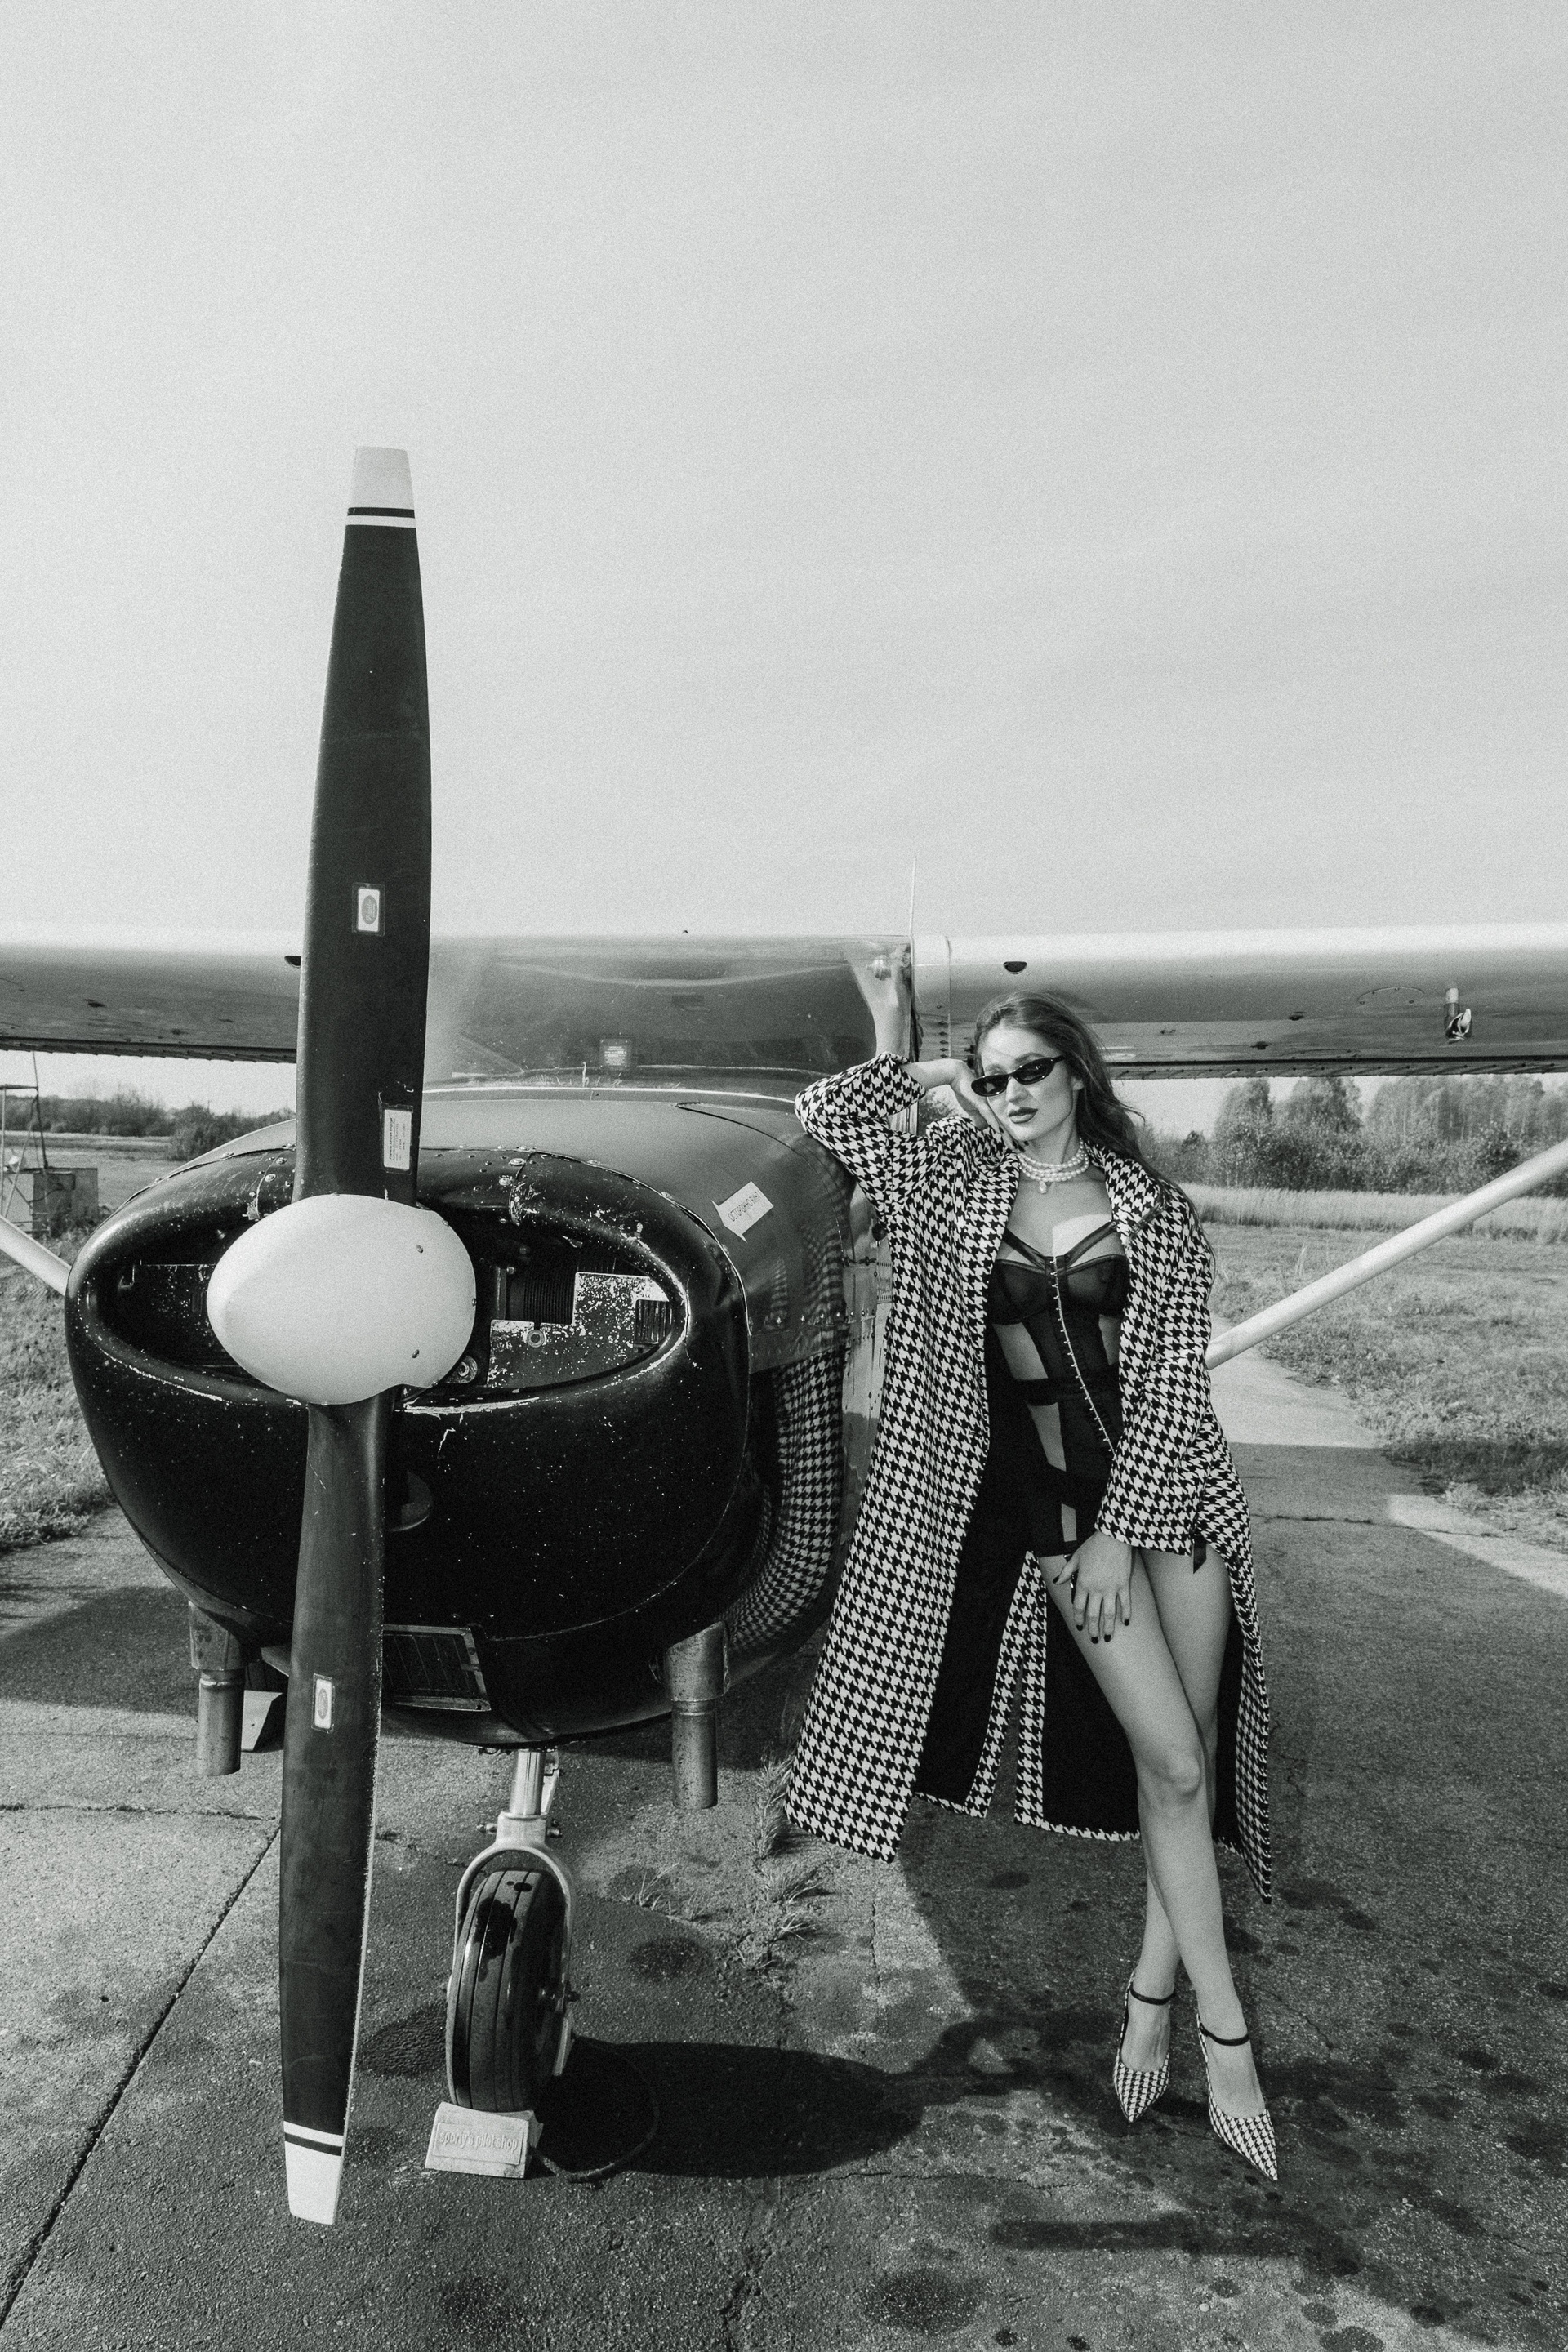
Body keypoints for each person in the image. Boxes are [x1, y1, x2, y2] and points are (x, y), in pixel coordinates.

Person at [786, 988, 1276, 2180]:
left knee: (1190, 1767)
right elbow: (830, 1108)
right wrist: (928, 1069)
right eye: (992, 1075)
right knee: (1169, 1764)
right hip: (1059, 1520)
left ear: (1078, 1072)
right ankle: (1230, 2045)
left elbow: (1173, 1383)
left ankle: (1151, 1998)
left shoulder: (1153, 1207)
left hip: (1174, 1502)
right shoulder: (951, 1182)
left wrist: (1125, 1531)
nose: (1010, 1093)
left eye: (1030, 1071)